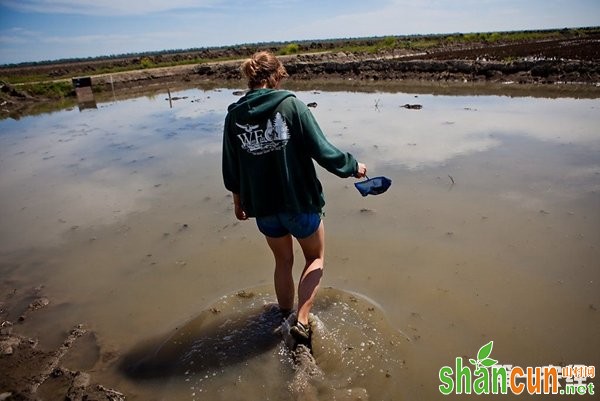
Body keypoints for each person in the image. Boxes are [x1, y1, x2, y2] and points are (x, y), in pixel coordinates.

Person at [222, 51, 367, 347]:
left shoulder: (234, 116)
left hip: (263, 207)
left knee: (282, 262)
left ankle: (284, 316)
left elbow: (231, 165)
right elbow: (323, 151)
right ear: (276, 76)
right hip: (299, 202)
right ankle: (301, 321)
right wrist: (354, 167)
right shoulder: (291, 105)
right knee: (314, 257)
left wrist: (238, 202)